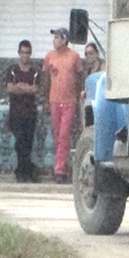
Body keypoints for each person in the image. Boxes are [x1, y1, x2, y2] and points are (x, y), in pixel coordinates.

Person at [43, 28, 84, 184]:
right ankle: (61, 167)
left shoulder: (74, 56)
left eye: (58, 38)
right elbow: (46, 79)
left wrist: (79, 95)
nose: (55, 41)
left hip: (69, 101)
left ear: (65, 39)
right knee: (57, 135)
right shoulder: (49, 56)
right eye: (54, 38)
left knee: (64, 134)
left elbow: (79, 77)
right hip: (54, 100)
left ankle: (59, 169)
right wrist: (46, 99)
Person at [6, 40, 41, 183]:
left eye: (27, 52)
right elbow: (10, 88)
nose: (25, 55)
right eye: (23, 52)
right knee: (19, 140)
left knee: (28, 142)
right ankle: (24, 169)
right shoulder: (13, 70)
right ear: (19, 53)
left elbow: (35, 89)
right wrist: (25, 88)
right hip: (15, 112)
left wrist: (20, 87)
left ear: (30, 54)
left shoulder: (35, 72)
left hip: (30, 113)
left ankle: (25, 171)